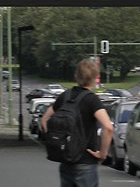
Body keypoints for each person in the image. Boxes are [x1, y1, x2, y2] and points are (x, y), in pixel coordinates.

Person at [41, 59, 114, 187]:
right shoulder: (92, 100)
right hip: (86, 161)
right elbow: (108, 127)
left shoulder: (65, 96)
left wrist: (56, 142)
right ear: (96, 78)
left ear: (76, 76)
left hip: (66, 160)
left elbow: (44, 120)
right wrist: (102, 154)